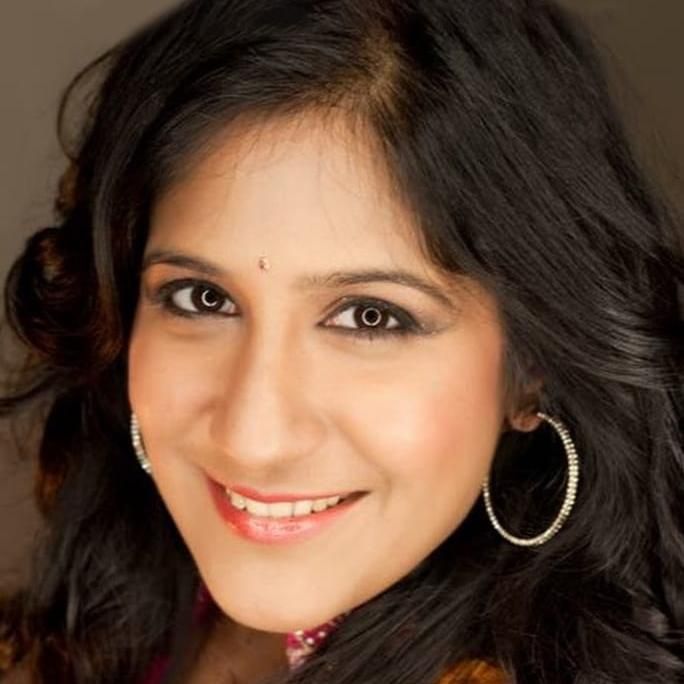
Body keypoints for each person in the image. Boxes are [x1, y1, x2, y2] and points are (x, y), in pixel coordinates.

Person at [1, 0, 682, 682]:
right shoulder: (90, 630)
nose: (253, 439)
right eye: (201, 298)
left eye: (370, 317)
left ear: (531, 366)